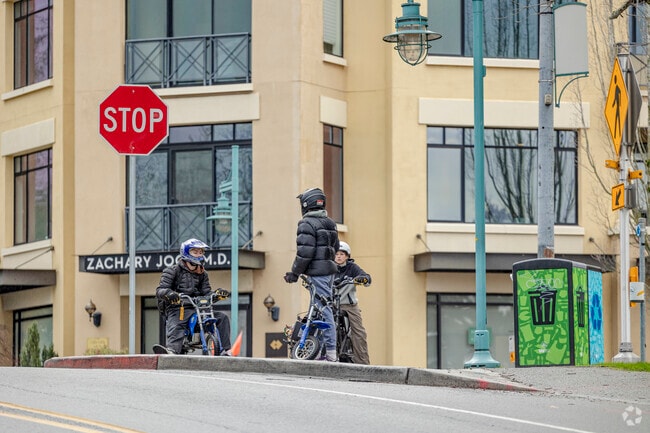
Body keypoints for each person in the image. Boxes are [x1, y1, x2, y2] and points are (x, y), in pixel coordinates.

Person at [284, 187, 340, 361]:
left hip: (318, 273)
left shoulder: (306, 224)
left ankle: (331, 351)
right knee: (316, 310)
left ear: (306, 204)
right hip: (329, 271)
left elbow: (304, 253)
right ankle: (318, 350)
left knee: (324, 309)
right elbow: (335, 247)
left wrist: (294, 273)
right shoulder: (330, 223)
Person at [156, 238, 232, 355]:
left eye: (201, 252)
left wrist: (217, 295)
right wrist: (170, 294)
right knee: (178, 323)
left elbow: (207, 293)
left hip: (198, 309)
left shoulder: (202, 273)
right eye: (195, 252)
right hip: (179, 308)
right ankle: (171, 351)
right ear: (186, 253)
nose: (199, 255)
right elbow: (160, 290)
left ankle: (226, 350)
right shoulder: (172, 270)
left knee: (222, 318)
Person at [334, 241, 372, 364]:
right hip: (331, 304)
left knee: (359, 332)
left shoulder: (352, 268)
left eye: (342, 254)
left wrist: (363, 278)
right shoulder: (328, 268)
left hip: (349, 305)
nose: (339, 256)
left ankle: (362, 363)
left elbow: (365, 277)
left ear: (347, 256)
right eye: (336, 254)